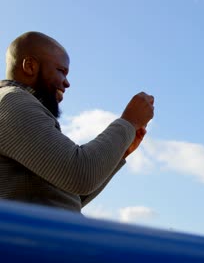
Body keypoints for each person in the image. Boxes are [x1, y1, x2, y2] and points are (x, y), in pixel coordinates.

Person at [0, 31, 155, 213]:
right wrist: (128, 122)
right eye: (61, 71)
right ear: (30, 66)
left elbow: (68, 194)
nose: (67, 83)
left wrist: (120, 153)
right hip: (31, 241)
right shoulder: (13, 101)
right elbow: (80, 175)